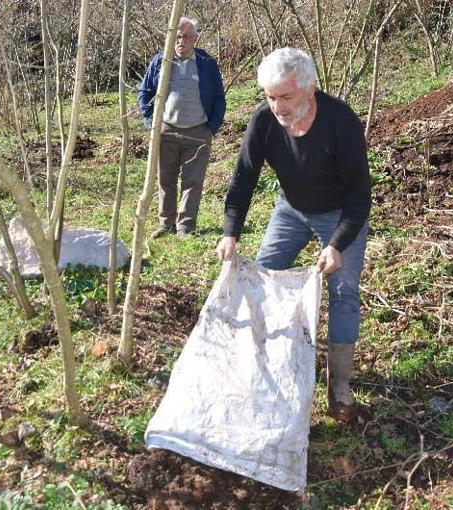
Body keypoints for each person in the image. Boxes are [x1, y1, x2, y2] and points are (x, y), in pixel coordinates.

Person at [215, 48, 371, 422]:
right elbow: (243, 179)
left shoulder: (341, 122)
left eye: (286, 96)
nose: (278, 106)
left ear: (310, 89)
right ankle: (264, 364)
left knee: (344, 291)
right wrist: (230, 232)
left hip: (339, 214)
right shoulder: (264, 123)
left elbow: (360, 195)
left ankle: (340, 385)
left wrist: (336, 245)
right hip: (292, 209)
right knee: (263, 276)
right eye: (270, 97)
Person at [138, 17, 226, 238]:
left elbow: (219, 97)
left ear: (195, 39)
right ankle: (166, 224)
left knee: (193, 182)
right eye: (177, 36)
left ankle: (186, 228)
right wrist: (151, 123)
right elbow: (144, 93)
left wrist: (211, 128)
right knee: (165, 180)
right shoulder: (161, 61)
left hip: (198, 132)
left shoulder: (206, 63)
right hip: (167, 130)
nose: (181, 41)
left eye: (186, 36)